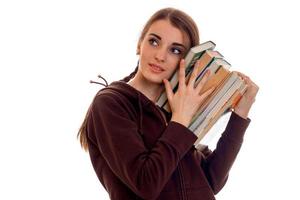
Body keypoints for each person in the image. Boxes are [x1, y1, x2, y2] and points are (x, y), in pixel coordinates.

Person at [78, 7, 259, 200]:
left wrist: (239, 117)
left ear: (188, 60)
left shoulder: (176, 103)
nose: (160, 56)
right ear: (140, 45)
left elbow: (211, 180)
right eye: (154, 42)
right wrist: (180, 120)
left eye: (175, 50)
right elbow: (146, 184)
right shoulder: (111, 104)